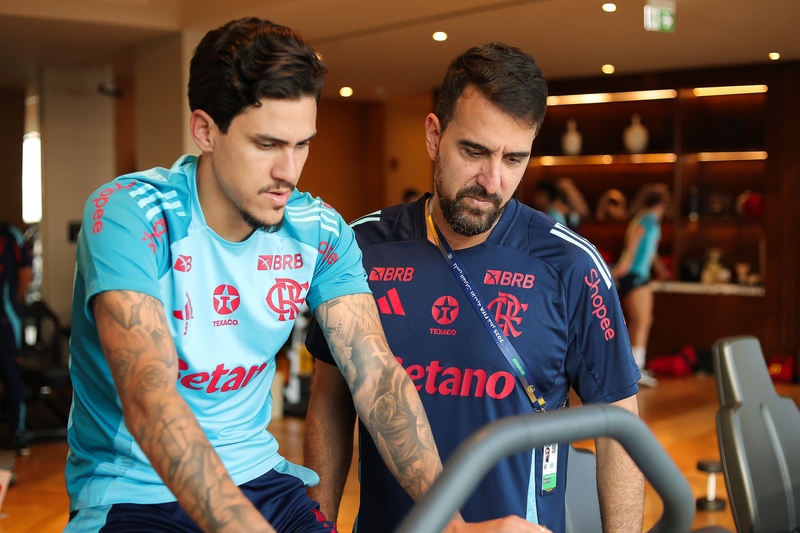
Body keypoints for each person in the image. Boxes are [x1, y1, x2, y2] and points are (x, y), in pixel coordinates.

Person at [66, 18, 528, 533]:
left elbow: (377, 379)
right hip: (135, 492)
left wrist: (453, 524)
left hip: (261, 479)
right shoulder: (130, 215)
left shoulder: (319, 230)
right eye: (267, 145)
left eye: (302, 144)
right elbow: (150, 399)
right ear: (205, 131)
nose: (289, 171)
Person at [304, 43, 645, 533]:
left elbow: (620, 429)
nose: (492, 181)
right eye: (474, 152)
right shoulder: (361, 247)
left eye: (514, 158)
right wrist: (318, 525)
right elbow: (330, 402)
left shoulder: (571, 266)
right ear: (434, 135)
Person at [611, 191, 669, 387]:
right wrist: (623, 267)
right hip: (633, 275)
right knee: (641, 319)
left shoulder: (650, 221)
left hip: (640, 276)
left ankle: (635, 366)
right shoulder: (646, 219)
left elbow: (651, 250)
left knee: (643, 319)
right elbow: (632, 246)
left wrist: (661, 269)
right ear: (660, 207)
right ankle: (635, 368)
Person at [0, 222, 32, 455]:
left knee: (10, 374)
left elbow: (26, 274)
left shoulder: (10, 234)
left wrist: (10, 301)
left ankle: (18, 432)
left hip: (5, 319)